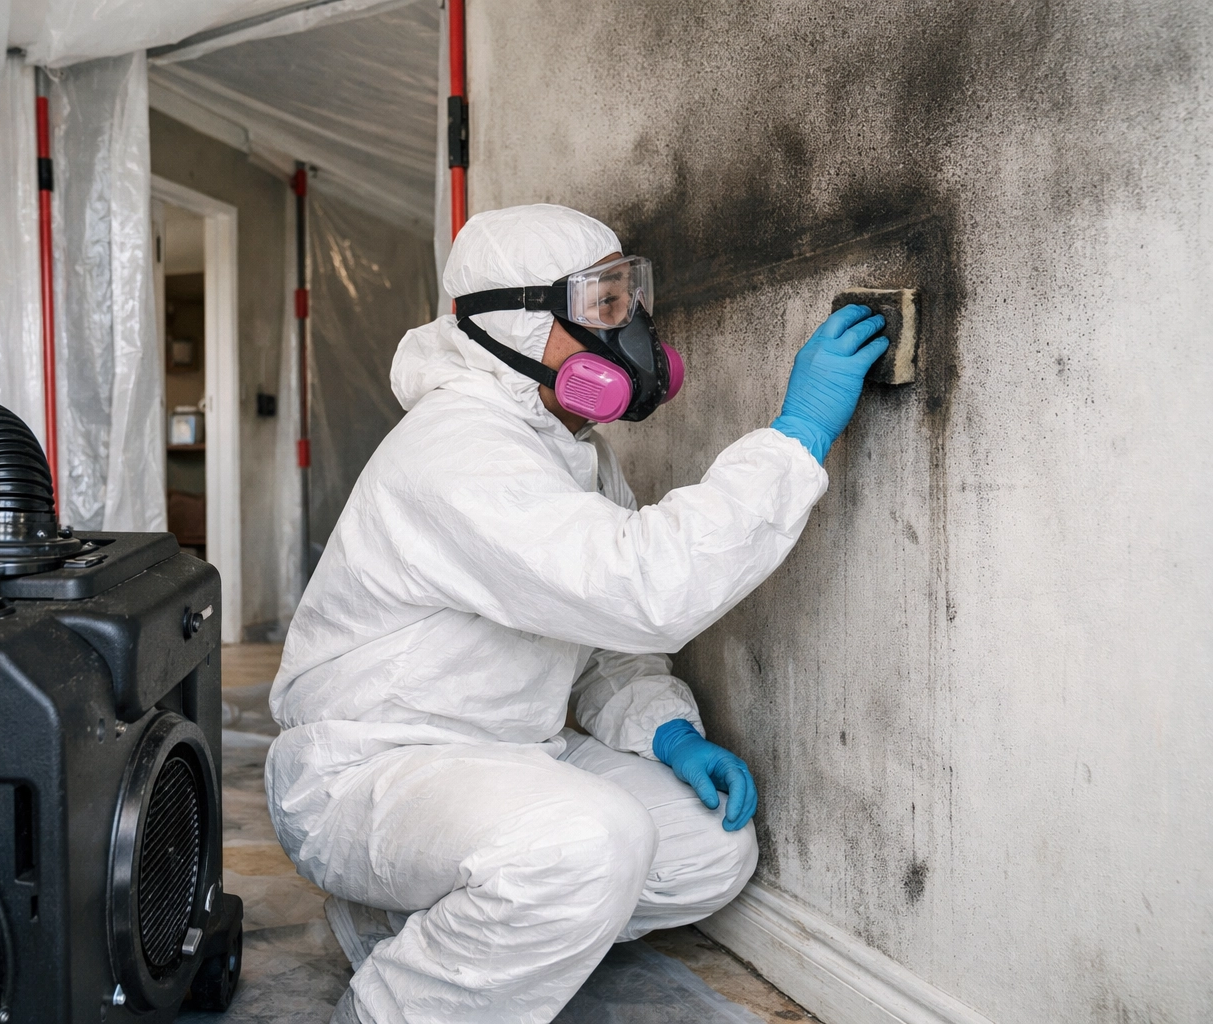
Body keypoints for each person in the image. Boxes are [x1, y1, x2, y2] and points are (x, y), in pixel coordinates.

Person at [266, 204, 889, 1024]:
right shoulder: (460, 450)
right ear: (523, 327)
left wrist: (664, 728)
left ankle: (427, 916)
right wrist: (795, 436)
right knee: (586, 848)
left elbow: (601, 638)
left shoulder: (570, 452)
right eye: (604, 304)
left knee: (708, 851)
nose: (632, 327)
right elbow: (640, 587)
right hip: (374, 772)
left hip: (509, 756)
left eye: (629, 299)